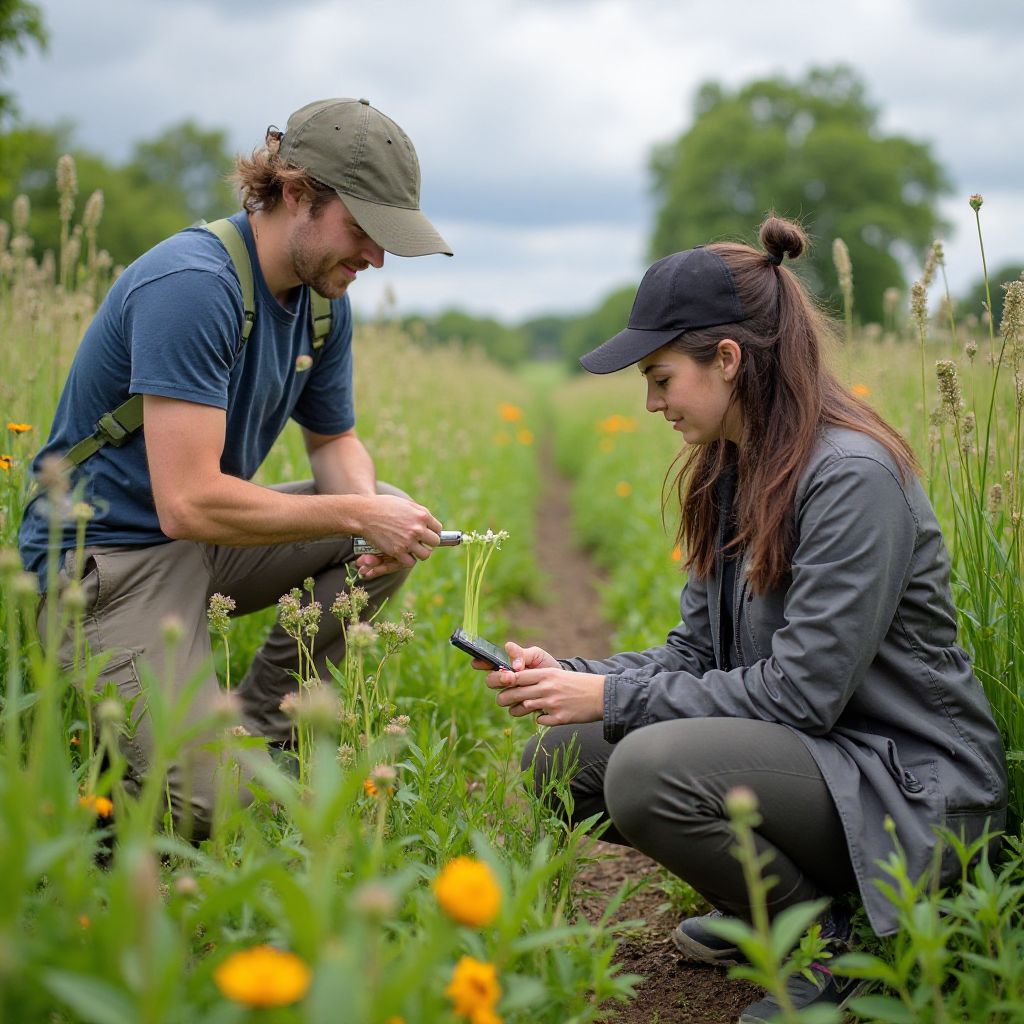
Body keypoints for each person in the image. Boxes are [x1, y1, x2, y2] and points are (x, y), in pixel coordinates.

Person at [477, 215, 1008, 1023]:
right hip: (824, 763)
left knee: (646, 771)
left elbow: (803, 696)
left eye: (661, 377)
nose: (651, 402)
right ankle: (770, 906)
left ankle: (832, 953)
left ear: (727, 359)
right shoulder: (736, 469)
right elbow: (696, 652)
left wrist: (614, 704)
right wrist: (578, 679)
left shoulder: (851, 478)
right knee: (558, 759)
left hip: (912, 789)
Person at [19, 97, 451, 840]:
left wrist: (369, 527)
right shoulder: (193, 284)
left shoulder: (323, 303)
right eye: (364, 231)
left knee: (385, 510)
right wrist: (356, 515)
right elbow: (186, 502)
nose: (376, 258)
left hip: (199, 547)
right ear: (295, 193)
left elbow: (334, 444)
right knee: (205, 813)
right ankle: (118, 803)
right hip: (107, 560)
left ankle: (259, 730)